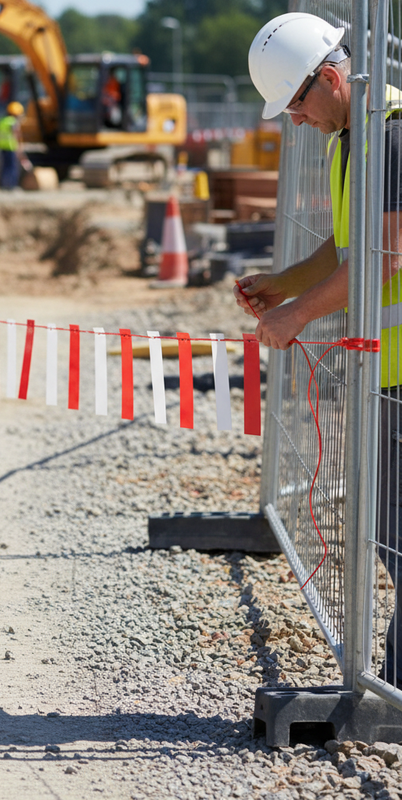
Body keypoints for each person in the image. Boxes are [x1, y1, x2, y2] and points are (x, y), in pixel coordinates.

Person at [236, 12, 402, 684]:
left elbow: (385, 253)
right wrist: (284, 285)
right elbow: (347, 246)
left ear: (332, 79)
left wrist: (297, 316)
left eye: (297, 103)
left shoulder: (390, 136)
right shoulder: (352, 140)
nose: (296, 121)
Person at [0, 101, 30, 190]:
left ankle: (4, 185)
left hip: (1, 147)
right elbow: (16, 135)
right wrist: (19, 148)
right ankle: (12, 186)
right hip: (10, 147)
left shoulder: (2, 120)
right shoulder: (13, 122)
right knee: (12, 167)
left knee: (4, 167)